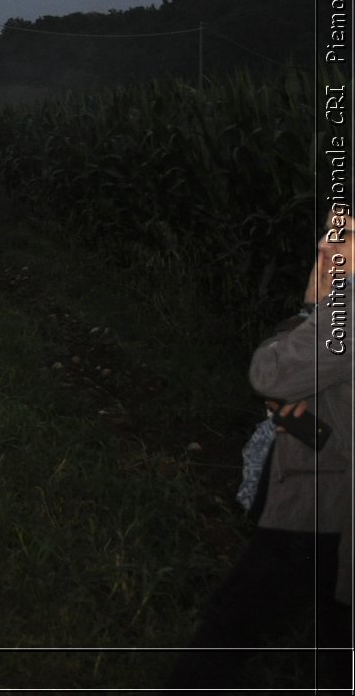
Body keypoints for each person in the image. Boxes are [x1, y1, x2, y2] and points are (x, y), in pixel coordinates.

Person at [167, 206, 352, 689]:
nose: (325, 247)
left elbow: (268, 374)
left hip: (319, 505)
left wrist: (312, 306)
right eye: (328, 235)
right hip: (333, 495)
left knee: (230, 624)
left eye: (345, 237)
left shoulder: (348, 312)